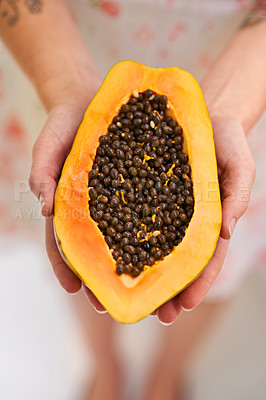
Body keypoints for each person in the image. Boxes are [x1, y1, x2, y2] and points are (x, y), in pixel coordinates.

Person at [1, 0, 265, 399]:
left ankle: (167, 371)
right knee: (78, 272)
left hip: (244, 80)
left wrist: (228, 110)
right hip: (64, 51)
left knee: (218, 273)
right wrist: (67, 86)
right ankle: (106, 365)